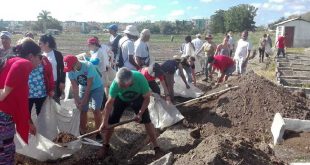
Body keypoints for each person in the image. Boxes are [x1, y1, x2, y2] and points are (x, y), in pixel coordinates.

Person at [99, 68, 160, 158]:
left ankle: (156, 146)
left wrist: (140, 113)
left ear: (130, 83)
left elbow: (147, 98)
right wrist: (104, 122)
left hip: (138, 98)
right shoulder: (115, 84)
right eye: (119, 85)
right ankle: (105, 145)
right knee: (111, 121)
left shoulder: (140, 79)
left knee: (147, 120)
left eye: (122, 86)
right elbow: (109, 104)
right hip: (121, 99)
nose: (120, 87)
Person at [0, 38, 40, 164]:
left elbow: (20, 99)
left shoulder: (10, 61)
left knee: (8, 149)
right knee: (5, 153)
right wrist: (5, 91)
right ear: (31, 56)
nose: (41, 61)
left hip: (5, 115)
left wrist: (28, 122)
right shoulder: (24, 63)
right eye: (40, 57)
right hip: (3, 117)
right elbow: (20, 65)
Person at [64, 55, 104, 140]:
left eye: (71, 67)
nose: (70, 70)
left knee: (96, 109)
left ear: (76, 63)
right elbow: (74, 87)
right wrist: (77, 100)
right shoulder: (70, 71)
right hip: (83, 88)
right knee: (82, 110)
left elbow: (89, 86)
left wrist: (83, 101)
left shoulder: (89, 66)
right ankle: (83, 131)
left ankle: (98, 132)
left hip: (96, 88)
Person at [39, 34, 65, 104]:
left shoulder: (57, 54)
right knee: (44, 105)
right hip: (43, 84)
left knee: (56, 104)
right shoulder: (40, 55)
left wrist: (62, 81)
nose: (39, 45)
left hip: (54, 83)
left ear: (47, 44)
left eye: (40, 43)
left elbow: (63, 68)